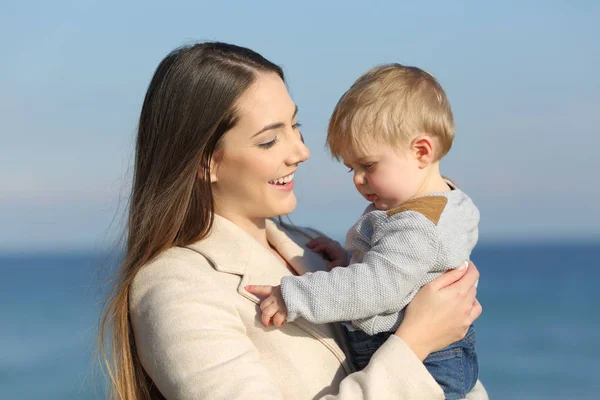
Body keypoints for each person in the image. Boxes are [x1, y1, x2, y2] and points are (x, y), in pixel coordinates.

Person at [98, 42, 487, 400]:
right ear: (206, 161)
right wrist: (416, 341)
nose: (301, 151)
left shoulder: (310, 244)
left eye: (295, 126)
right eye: (269, 140)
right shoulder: (177, 287)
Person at [246, 64, 479, 399]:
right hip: (436, 356)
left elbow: (377, 287)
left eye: (368, 166)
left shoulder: (418, 226)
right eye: (351, 168)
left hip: (427, 364)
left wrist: (293, 296)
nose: (358, 179)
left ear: (422, 151)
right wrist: (352, 258)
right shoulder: (436, 207)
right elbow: (398, 274)